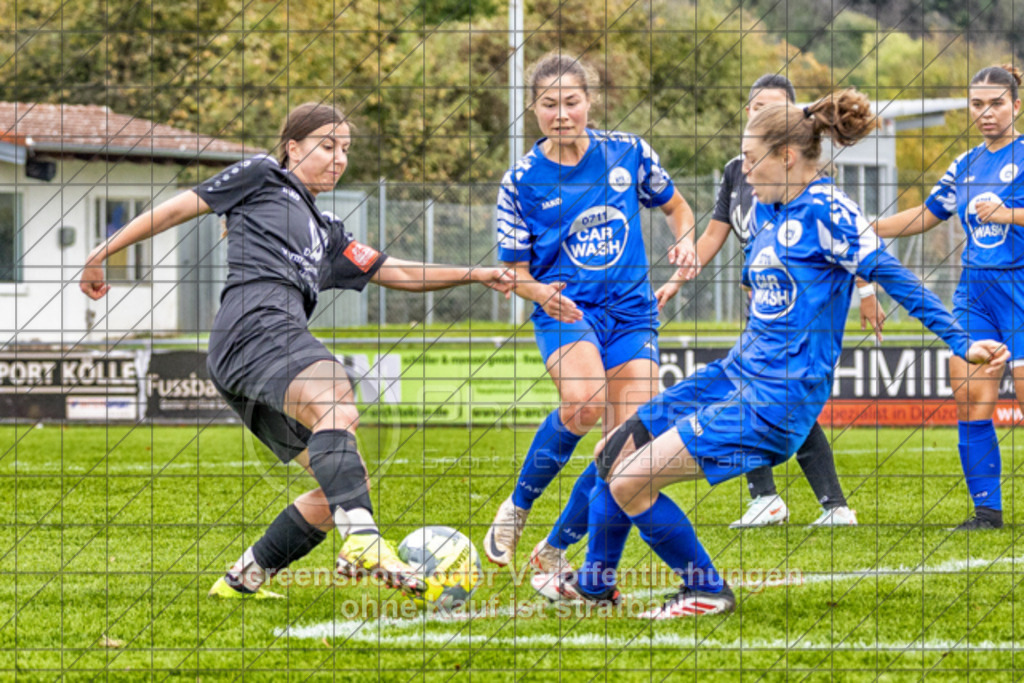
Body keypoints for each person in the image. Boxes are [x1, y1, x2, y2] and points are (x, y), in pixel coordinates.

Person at [534, 89, 1009, 619]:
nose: (743, 169)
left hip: (776, 401)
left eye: (751, 157)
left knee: (629, 480)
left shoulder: (831, 211)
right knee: (613, 451)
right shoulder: (770, 210)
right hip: (732, 376)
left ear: (787, 156)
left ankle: (707, 591)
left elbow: (898, 278)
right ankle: (596, 583)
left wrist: (962, 342)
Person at [81, 102, 513, 599]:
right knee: (335, 391)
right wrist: (102, 254)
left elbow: (392, 270)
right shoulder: (264, 176)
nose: (338, 159)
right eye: (327, 146)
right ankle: (364, 540)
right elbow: (180, 206)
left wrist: (475, 274)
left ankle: (244, 579)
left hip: (252, 350)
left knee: (344, 484)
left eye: (345, 149)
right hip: (253, 327)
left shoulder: (328, 232)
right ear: (292, 147)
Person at [484, 53, 699, 573]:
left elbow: (677, 207)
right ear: (533, 109)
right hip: (566, 309)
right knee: (583, 404)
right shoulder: (521, 182)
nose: (561, 114)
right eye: (549, 104)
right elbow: (514, 273)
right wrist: (539, 294)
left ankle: (555, 549)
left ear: (589, 103)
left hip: (630, 312)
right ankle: (517, 508)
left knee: (625, 449)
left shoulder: (627, 153)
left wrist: (687, 242)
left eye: (571, 102)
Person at [664, 73, 883, 528]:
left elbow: (848, 239)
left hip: (804, 306)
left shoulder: (806, 173)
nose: (763, 112)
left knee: (780, 405)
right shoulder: (735, 170)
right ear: (748, 112)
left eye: (775, 105)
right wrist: (678, 277)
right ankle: (772, 498)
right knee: (757, 400)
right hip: (763, 298)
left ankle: (828, 504)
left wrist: (866, 290)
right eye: (757, 105)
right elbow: (713, 235)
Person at [875, 64, 1024, 531]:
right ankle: (986, 512)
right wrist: (863, 229)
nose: (986, 113)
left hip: (1020, 290)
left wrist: (1009, 213)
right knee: (970, 401)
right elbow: (926, 213)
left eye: (996, 103)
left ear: (1016, 105)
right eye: (977, 104)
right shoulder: (964, 164)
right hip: (974, 293)